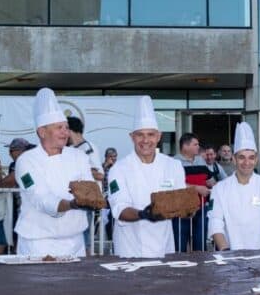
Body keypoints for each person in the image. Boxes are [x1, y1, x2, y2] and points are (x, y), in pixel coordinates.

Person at [14, 88, 94, 259]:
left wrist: (94, 199)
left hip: (75, 242)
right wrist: (73, 204)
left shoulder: (79, 156)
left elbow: (89, 188)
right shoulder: (26, 161)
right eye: (59, 128)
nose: (65, 132)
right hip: (38, 243)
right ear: (42, 132)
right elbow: (40, 198)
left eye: (66, 127)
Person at [107, 96, 188, 259]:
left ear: (158, 136)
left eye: (151, 135)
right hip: (130, 249)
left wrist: (187, 208)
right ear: (132, 137)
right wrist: (144, 214)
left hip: (164, 246)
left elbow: (180, 203)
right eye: (140, 135)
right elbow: (119, 208)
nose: (145, 140)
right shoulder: (118, 169)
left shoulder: (173, 166)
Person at [208, 122, 260, 250]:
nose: (247, 162)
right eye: (241, 157)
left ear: (256, 160)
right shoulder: (220, 189)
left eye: (251, 158)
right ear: (234, 159)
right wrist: (225, 250)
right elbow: (215, 222)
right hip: (230, 256)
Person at [67, 116, 103, 255]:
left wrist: (78, 171)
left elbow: (99, 174)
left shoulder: (87, 148)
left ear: (70, 130)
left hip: (87, 199)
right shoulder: (71, 149)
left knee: (84, 237)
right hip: (76, 199)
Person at [173, 133, 210, 252]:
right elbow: (172, 185)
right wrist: (196, 188)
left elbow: (209, 180)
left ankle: (200, 269)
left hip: (201, 208)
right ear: (185, 146)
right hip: (181, 210)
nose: (198, 147)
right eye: (195, 144)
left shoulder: (201, 160)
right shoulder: (173, 163)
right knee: (180, 244)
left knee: (200, 244)